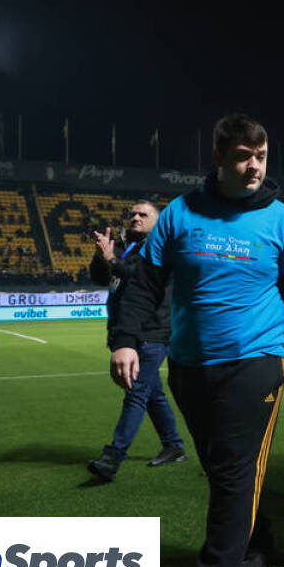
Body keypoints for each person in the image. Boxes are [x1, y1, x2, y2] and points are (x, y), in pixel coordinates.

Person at [109, 114, 284, 567]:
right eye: (243, 156)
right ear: (219, 158)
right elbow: (144, 284)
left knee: (231, 467)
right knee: (222, 466)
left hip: (256, 361)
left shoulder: (283, 221)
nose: (255, 167)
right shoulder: (180, 213)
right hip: (188, 364)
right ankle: (257, 537)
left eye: (262, 156)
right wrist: (125, 341)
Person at [86, 200, 186, 482]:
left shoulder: (162, 247)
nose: (136, 218)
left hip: (152, 331)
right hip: (128, 331)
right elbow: (101, 278)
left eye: (144, 214)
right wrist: (102, 257)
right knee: (152, 393)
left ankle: (112, 457)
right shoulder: (127, 246)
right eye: (132, 214)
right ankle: (174, 445)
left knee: (136, 391)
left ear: (158, 221)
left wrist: (112, 261)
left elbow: (138, 278)